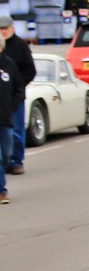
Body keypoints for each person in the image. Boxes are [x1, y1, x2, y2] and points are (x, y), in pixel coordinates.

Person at [0, 16, 34, 176]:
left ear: (12, 28)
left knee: (17, 130)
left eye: (5, 29)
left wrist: (18, 87)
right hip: (2, 98)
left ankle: (17, 161)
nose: (3, 32)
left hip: (16, 96)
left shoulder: (20, 46)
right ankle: (4, 162)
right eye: (0, 29)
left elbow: (30, 70)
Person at [0, 34, 23, 204]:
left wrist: (13, 105)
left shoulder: (9, 64)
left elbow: (18, 87)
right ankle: (2, 191)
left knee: (7, 154)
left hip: (6, 119)